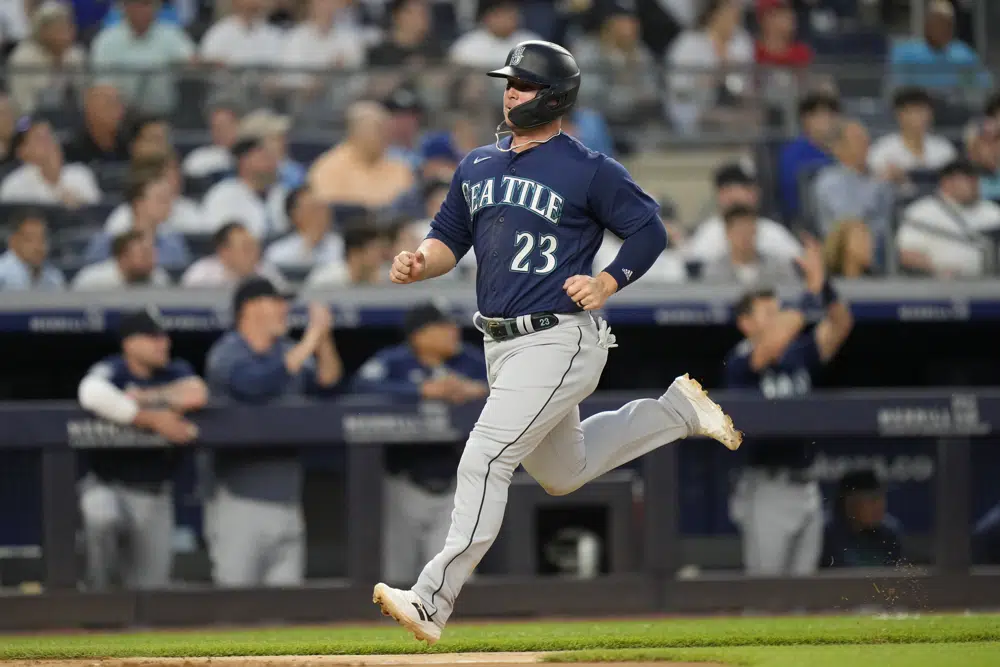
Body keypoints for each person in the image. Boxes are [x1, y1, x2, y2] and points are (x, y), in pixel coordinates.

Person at [372, 40, 742, 645]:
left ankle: (432, 599)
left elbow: (648, 230)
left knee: (486, 456)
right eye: (508, 83)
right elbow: (446, 240)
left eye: (521, 84)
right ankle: (675, 412)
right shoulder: (477, 165)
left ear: (553, 97)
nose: (510, 92)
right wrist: (420, 262)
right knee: (563, 472)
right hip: (501, 344)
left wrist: (607, 280)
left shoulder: (587, 167)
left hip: (559, 338)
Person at [724, 237, 854, 577]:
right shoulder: (742, 359)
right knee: (766, 593)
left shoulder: (799, 354)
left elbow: (841, 324)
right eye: (767, 313)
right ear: (746, 323)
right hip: (767, 486)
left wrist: (822, 284)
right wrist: (809, 293)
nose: (778, 318)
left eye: (777, 310)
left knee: (803, 597)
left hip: (807, 484)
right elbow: (773, 343)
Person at [204, 276, 342, 587]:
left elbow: (328, 384)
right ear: (250, 308)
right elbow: (254, 385)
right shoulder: (227, 352)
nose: (285, 309)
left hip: (289, 502)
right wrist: (310, 341)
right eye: (276, 301)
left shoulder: (289, 351)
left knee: (286, 614)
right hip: (239, 504)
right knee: (234, 608)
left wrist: (324, 340)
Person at [352, 303, 488, 583]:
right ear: (419, 335)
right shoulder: (394, 361)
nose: (453, 331)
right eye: (443, 326)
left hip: (455, 486)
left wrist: (475, 390)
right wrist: (422, 391)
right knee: (395, 576)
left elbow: (503, 381)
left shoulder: (468, 361)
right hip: (402, 484)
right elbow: (360, 387)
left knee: (453, 580)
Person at [76, 309, 207, 590]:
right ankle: (95, 593)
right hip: (108, 484)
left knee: (151, 596)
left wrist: (147, 396)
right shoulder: (113, 369)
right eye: (152, 337)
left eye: (163, 336)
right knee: (101, 515)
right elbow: (90, 392)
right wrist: (151, 419)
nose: (163, 343)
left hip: (154, 494)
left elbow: (196, 393)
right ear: (129, 343)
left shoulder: (174, 369)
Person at [896, 158, 1000, 278]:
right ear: (946, 182)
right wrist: (937, 270)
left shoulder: (992, 210)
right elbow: (907, 255)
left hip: (992, 283)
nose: (973, 183)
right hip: (939, 286)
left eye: (975, 178)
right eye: (967, 178)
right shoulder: (922, 211)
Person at [0, 116, 100, 208]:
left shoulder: (80, 174)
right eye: (40, 139)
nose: (49, 142)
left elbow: (97, 216)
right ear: (21, 151)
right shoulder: (14, 185)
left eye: (50, 136)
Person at [867, 87, 957, 184]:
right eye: (914, 112)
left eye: (924, 111)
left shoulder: (944, 149)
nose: (921, 117)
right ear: (899, 115)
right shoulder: (882, 150)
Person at [820, 468, 904, 568]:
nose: (879, 507)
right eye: (872, 500)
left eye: (881, 498)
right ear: (849, 504)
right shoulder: (824, 533)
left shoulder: (890, 532)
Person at [777, 91, 839, 224]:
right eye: (821, 115)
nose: (828, 121)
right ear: (806, 119)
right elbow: (792, 200)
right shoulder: (793, 154)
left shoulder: (842, 151)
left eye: (831, 115)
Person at [700, 204, 799, 285]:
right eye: (739, 231)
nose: (744, 237)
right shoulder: (713, 271)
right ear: (727, 233)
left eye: (748, 230)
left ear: (756, 231)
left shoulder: (778, 268)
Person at [181, 221, 287, 288]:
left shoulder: (266, 271)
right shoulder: (201, 274)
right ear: (224, 252)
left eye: (255, 247)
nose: (254, 254)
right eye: (247, 249)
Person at [72, 230, 172, 290]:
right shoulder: (92, 279)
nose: (151, 260)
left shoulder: (158, 277)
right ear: (122, 257)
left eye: (152, 254)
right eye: (144, 254)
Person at [0, 210, 65, 290]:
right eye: (30, 239)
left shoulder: (54, 277)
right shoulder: (2, 274)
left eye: (42, 239)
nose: (38, 246)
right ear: (13, 241)